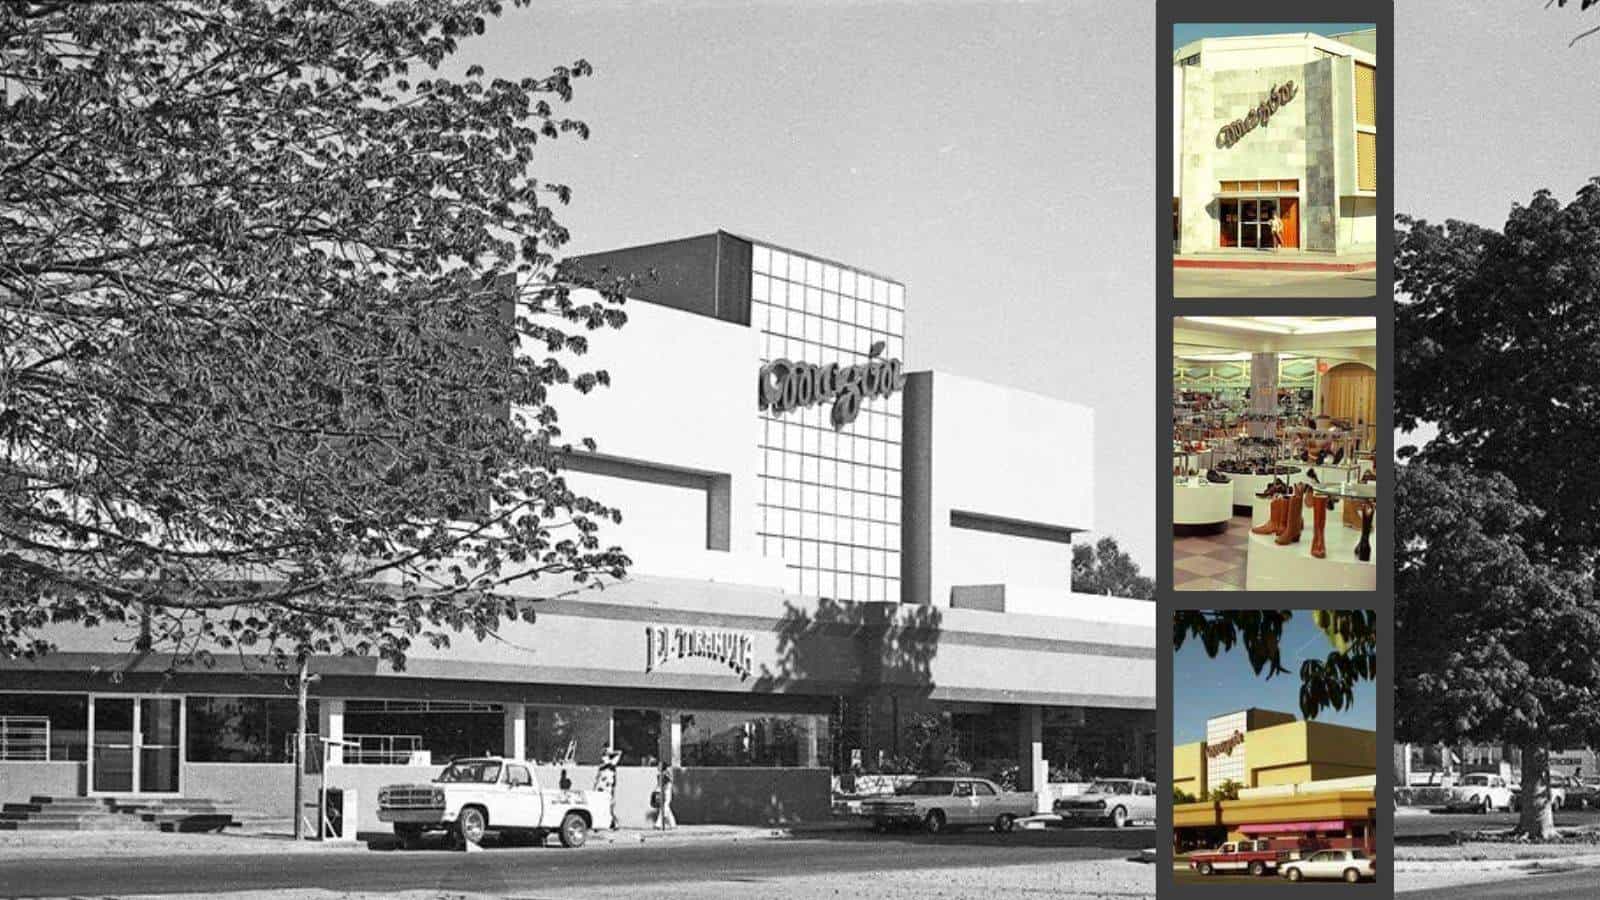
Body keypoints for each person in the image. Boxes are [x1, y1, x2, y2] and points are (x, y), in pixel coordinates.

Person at [594, 746, 622, 830]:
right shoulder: (602, 766)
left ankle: (614, 823)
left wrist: (611, 753)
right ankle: (598, 824)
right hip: (601, 787)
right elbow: (598, 776)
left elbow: (619, 752)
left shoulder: (611, 763)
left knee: (609, 807)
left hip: (608, 788)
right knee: (599, 806)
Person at [654, 760, 677, 830]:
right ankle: (673, 824)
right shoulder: (660, 774)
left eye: (659, 765)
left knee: (664, 808)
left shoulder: (666, 774)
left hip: (667, 793)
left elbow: (664, 782)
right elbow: (659, 785)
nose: (658, 766)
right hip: (663, 792)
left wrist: (658, 790)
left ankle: (658, 824)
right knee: (666, 809)